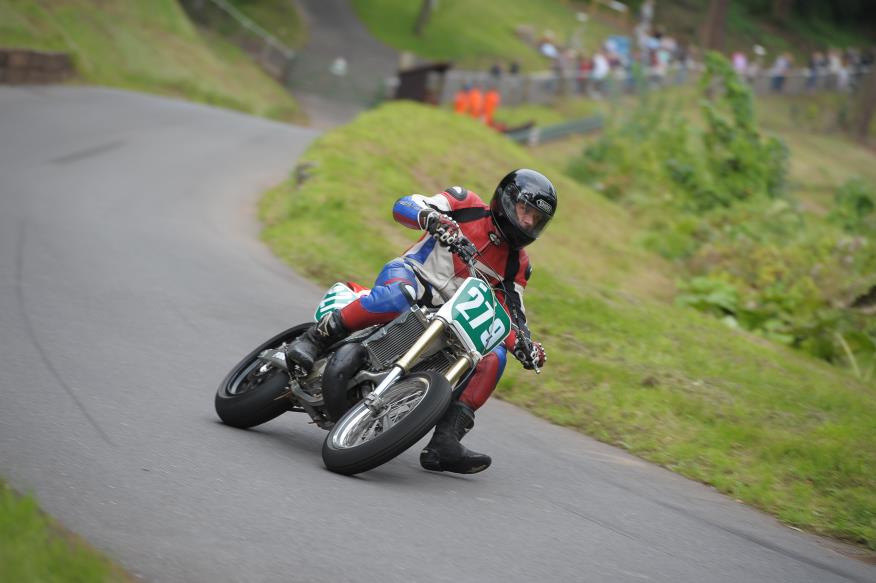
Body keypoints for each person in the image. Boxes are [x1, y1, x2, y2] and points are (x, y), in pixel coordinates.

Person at [285, 170, 556, 474]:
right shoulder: (464, 202)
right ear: (507, 199)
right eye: (525, 211)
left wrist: (524, 344)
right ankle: (314, 339)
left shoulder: (518, 264)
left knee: (494, 356)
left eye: (537, 219)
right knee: (401, 295)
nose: (529, 223)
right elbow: (405, 204)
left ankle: (445, 441)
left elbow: (511, 314)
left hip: (451, 318)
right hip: (412, 276)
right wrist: (431, 218)